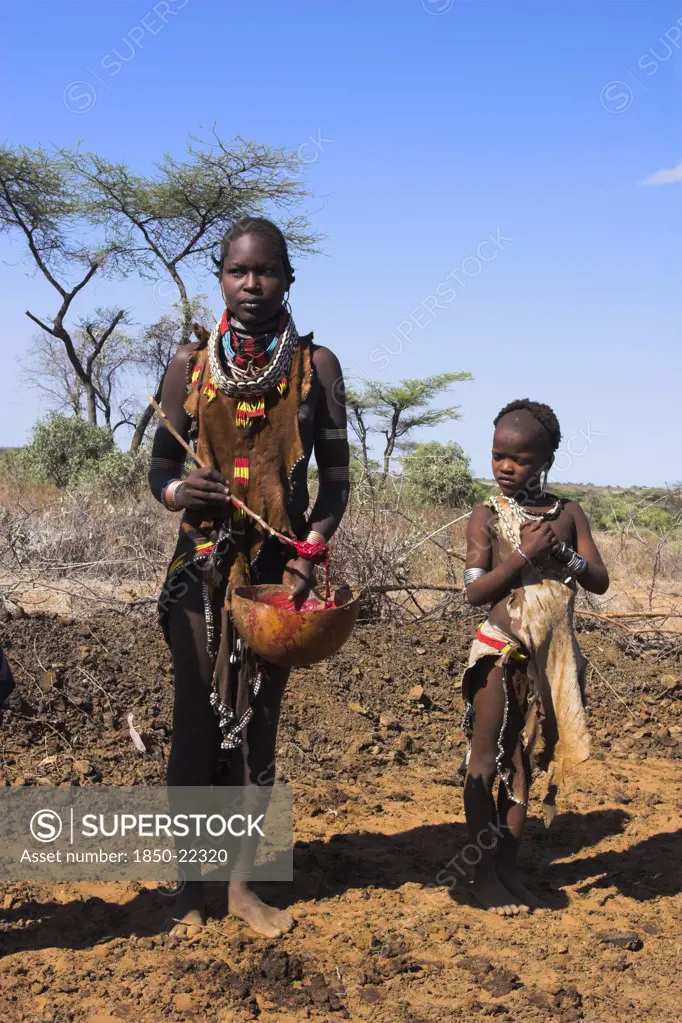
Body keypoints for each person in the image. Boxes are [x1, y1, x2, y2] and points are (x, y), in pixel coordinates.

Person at [148, 217, 350, 938]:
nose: (252, 284)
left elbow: (335, 484)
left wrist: (311, 549)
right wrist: (182, 495)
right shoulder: (189, 364)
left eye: (266, 272)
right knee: (196, 728)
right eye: (239, 271)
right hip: (198, 569)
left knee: (256, 729)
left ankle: (239, 887)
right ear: (221, 277)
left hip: (277, 577)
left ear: (289, 279)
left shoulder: (315, 367)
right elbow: (158, 473)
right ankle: (187, 888)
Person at [460, 399, 608, 916]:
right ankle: (482, 879)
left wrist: (559, 553)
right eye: (498, 455)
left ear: (545, 460)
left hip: (550, 661)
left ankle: (506, 871)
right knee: (486, 762)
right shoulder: (487, 516)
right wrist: (523, 555)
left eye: (519, 459)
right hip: (498, 653)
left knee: (523, 764)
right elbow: (475, 593)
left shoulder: (568, 515)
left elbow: (599, 580)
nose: (505, 467)